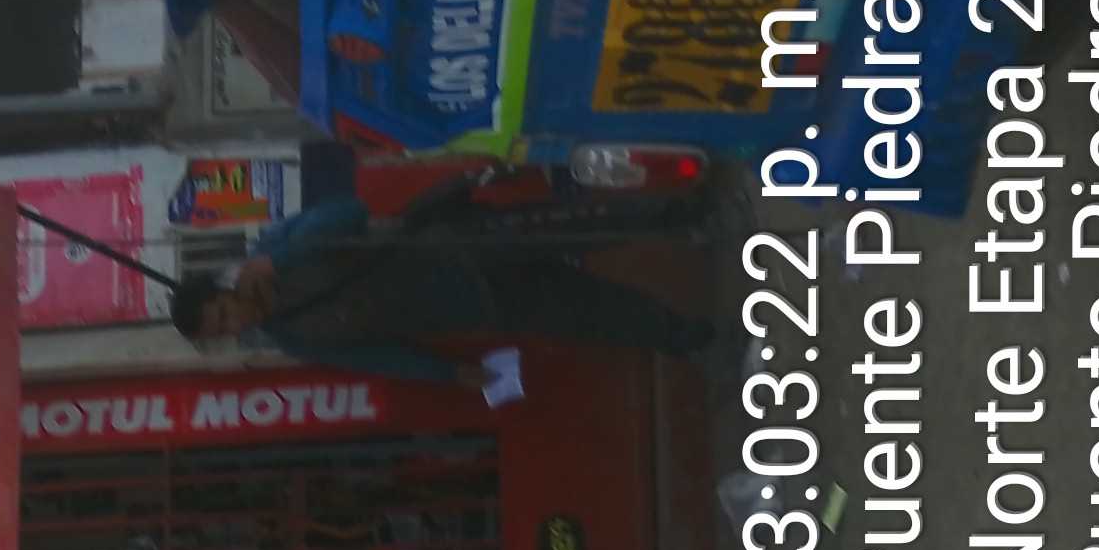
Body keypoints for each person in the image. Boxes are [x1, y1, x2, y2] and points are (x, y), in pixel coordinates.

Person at [168, 181, 713, 384]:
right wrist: (449, 373)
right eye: (222, 331)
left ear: (222, 291)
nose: (234, 324)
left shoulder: (272, 252)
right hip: (476, 304)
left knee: (580, 226)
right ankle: (688, 338)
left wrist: (281, 258)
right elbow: (379, 358)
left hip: (460, 243)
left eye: (223, 314)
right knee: (592, 314)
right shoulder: (293, 338)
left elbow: (347, 212)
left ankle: (682, 215)